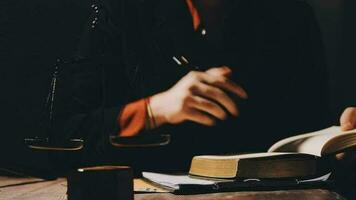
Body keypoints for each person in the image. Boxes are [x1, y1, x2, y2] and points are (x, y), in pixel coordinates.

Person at [54, 0, 330, 173]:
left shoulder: (289, 16)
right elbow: (62, 136)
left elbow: (310, 130)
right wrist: (154, 110)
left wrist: (337, 143)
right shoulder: (120, 11)